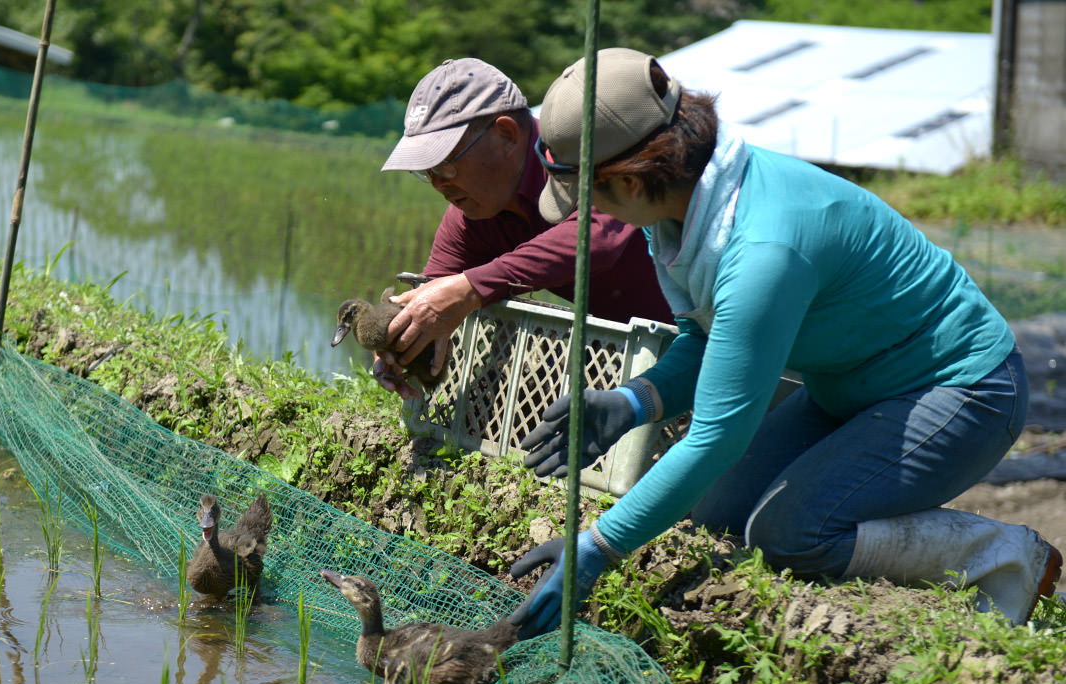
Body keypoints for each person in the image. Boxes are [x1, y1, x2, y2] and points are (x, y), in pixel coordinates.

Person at [509, 48, 1063, 637]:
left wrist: (598, 546)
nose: (595, 216)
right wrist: (636, 400)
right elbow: (703, 335)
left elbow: (720, 435)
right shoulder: (679, 217)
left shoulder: (762, 248)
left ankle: (1002, 555)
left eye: (593, 198)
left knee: (791, 534)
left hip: (962, 390)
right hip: (849, 387)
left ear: (625, 178)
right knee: (717, 515)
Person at [372, 58, 672, 398]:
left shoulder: (585, 145)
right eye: (427, 172)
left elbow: (596, 238)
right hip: (651, 361)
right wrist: (402, 341)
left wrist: (470, 288)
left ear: (506, 134)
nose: (438, 184)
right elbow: (432, 293)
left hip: (723, 328)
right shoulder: (473, 215)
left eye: (445, 165)